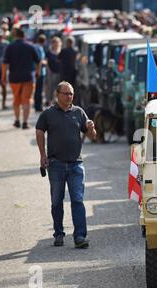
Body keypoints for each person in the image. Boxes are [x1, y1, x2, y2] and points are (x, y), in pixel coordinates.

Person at [35, 81, 97, 249]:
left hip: (76, 164)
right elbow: (39, 131)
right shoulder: (48, 114)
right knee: (56, 201)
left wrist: (91, 128)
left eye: (71, 94)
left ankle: (80, 237)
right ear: (58, 95)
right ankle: (59, 233)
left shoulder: (79, 112)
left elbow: (92, 136)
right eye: (66, 93)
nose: (69, 96)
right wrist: (42, 155)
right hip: (55, 164)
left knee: (77, 200)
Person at [2, 28, 41, 129]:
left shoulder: (10, 47)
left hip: (14, 77)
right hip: (28, 77)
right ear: (24, 36)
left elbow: (5, 63)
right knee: (26, 100)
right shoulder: (30, 46)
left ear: (15, 36)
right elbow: (38, 60)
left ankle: (17, 120)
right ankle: (25, 122)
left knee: (16, 99)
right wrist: (38, 72)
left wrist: (3, 77)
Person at [45, 36, 61, 107]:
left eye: (57, 43)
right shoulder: (49, 52)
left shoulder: (61, 51)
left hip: (59, 71)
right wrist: (48, 70)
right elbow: (46, 62)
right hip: (51, 71)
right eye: (54, 43)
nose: (56, 44)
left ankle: (56, 100)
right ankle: (49, 100)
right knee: (51, 87)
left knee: (58, 87)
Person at [34, 34, 47, 112]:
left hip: (36, 71)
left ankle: (37, 105)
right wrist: (45, 62)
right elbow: (39, 60)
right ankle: (38, 106)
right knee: (39, 90)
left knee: (37, 90)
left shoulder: (35, 47)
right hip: (40, 72)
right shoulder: (39, 48)